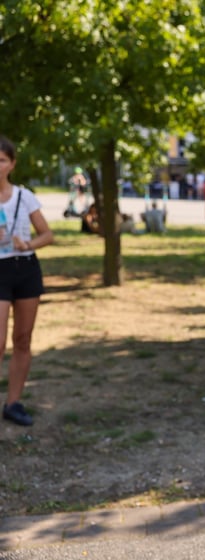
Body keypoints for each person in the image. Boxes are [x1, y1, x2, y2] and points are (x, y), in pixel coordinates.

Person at [0, 136, 54, 427]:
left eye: (2, 160)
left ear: (12, 164)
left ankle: (13, 403)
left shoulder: (25, 196)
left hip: (26, 269)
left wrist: (27, 244)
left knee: (22, 339)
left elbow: (48, 234)